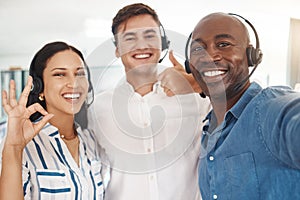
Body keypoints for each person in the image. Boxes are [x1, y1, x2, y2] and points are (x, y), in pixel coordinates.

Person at [88, 3, 211, 200]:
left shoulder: (198, 100)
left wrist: (198, 84)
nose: (142, 45)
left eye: (149, 35)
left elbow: (244, 106)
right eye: (130, 38)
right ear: (117, 49)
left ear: (162, 43)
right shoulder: (96, 110)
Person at [186, 12, 300, 199]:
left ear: (251, 56)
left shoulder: (269, 109)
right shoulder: (207, 130)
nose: (210, 56)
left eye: (223, 44)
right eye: (198, 49)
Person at [0, 41, 110, 200]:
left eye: (79, 74)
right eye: (60, 74)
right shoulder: (19, 146)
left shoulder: (91, 141)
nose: (74, 83)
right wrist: (14, 148)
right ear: (40, 88)